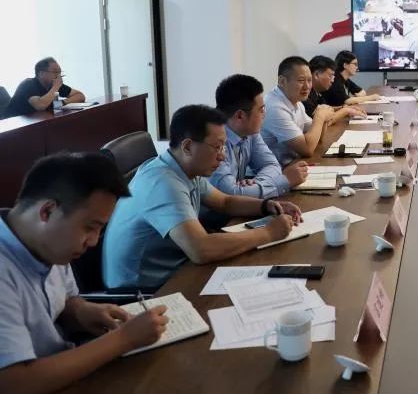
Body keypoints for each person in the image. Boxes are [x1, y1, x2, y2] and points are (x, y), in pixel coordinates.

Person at [0, 153, 169, 394]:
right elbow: (12, 388)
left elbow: (66, 300)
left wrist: (81, 312)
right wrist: (124, 339)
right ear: (47, 211)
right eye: (90, 227)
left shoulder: (48, 244)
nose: (93, 241)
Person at [102, 105, 302, 289]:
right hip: (145, 291)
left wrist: (266, 205)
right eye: (217, 147)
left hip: (177, 267)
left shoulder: (183, 167)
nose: (222, 156)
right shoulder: (162, 183)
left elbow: (224, 202)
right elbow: (201, 249)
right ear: (188, 147)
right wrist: (268, 232)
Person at [210, 74, 309, 198]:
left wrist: (256, 185)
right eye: (261, 109)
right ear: (240, 116)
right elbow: (231, 194)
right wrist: (284, 181)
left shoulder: (250, 133)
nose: (264, 114)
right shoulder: (213, 143)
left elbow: (271, 165)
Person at [261, 56, 333, 165]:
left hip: (291, 164)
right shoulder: (275, 107)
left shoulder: (296, 101)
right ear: (282, 81)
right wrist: (320, 116)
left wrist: (323, 118)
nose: (307, 86)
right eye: (301, 80)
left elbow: (317, 137)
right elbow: (307, 149)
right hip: (273, 171)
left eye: (309, 80)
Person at [3, 57, 86, 118]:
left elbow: (80, 96)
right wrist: (55, 87)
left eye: (60, 72)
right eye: (55, 72)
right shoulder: (28, 84)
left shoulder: (54, 84)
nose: (59, 76)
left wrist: (62, 103)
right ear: (41, 74)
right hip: (11, 126)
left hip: (36, 122)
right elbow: (40, 105)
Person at [302, 55, 366, 122]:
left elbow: (326, 110)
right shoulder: (305, 93)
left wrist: (342, 108)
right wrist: (346, 111)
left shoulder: (317, 92)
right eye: (330, 76)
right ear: (317, 75)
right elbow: (322, 120)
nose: (332, 80)